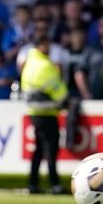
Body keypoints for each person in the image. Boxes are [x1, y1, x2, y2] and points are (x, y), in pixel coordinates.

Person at [21, 34, 68, 194]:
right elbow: (55, 87)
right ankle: (54, 184)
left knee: (39, 149)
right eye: (46, 45)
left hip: (35, 110)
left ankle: (33, 183)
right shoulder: (44, 65)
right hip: (47, 111)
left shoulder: (30, 63)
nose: (48, 49)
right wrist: (64, 99)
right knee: (50, 149)